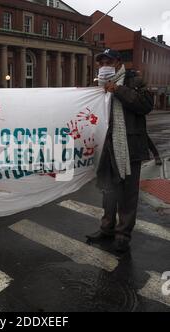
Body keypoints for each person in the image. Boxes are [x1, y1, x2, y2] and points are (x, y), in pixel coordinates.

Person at [87, 49, 154, 253]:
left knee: (127, 194)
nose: (104, 65)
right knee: (108, 191)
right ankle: (106, 229)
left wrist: (117, 89)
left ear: (117, 62)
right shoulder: (98, 85)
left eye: (108, 61)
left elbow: (145, 105)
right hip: (107, 147)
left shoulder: (134, 80)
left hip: (129, 146)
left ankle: (123, 235)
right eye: (101, 62)